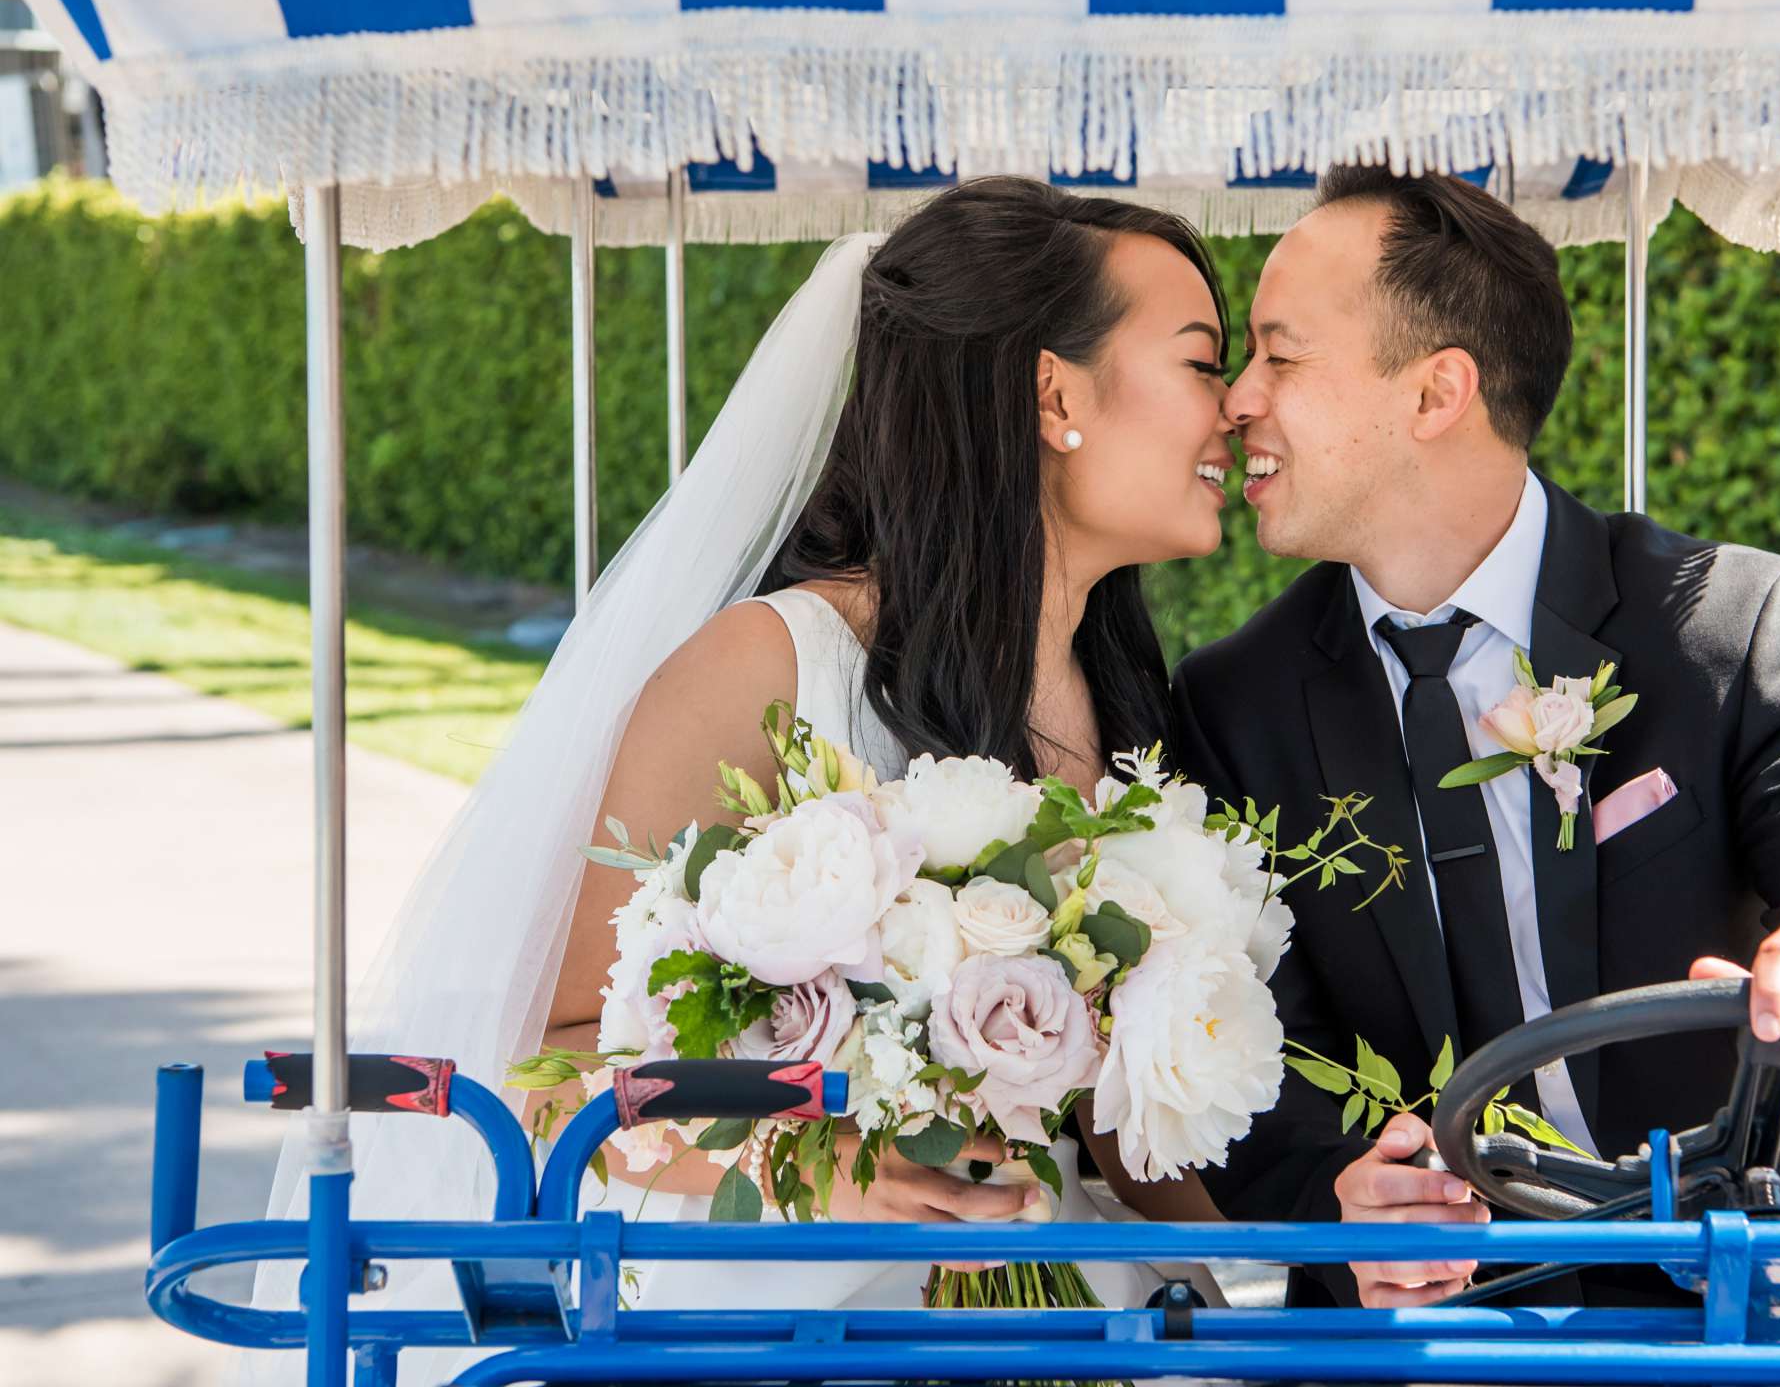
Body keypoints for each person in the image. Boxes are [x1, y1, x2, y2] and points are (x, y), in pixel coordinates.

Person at [246, 178, 1238, 1382]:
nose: (1235, 411)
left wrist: (1281, 1286)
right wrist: (822, 1162)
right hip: (802, 1326)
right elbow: (547, 1070)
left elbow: (1117, 1132)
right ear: (1053, 394)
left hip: (1074, 1314)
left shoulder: (1126, 693)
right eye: (1202, 362)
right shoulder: (769, 669)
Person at [1170, 169, 1780, 1331]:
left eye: (1281, 356)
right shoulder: (1234, 702)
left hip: (1768, 1291)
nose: (1236, 401)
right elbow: (1263, 1077)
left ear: (1437, 391)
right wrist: (1342, 1196)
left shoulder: (1725, 621)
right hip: (1441, 1332)